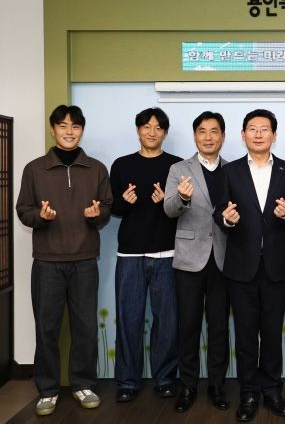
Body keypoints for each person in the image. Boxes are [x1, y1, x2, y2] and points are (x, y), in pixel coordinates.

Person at [16, 105, 112, 416]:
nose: (69, 131)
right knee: (47, 327)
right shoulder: (34, 169)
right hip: (47, 262)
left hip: (85, 260)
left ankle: (84, 384)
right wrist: (40, 217)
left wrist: (96, 215)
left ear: (82, 130)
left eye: (75, 126)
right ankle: (47, 390)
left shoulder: (97, 169)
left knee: (85, 326)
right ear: (53, 129)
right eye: (62, 125)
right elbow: (23, 210)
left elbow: (107, 208)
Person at [214, 109, 285, 422]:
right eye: (252, 129)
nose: (258, 134)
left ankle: (272, 390)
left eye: (264, 129)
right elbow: (220, 212)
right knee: (245, 334)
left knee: (272, 333)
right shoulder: (230, 171)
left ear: (274, 135)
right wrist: (227, 219)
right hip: (241, 266)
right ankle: (249, 393)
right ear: (243, 135)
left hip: (276, 266)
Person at [110, 107, 182, 402]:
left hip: (167, 253)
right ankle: (128, 382)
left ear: (165, 132)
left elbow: (183, 210)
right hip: (129, 254)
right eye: (147, 127)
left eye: (158, 127)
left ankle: (165, 378)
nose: (152, 132)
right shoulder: (121, 165)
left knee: (167, 321)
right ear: (138, 130)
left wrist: (167, 203)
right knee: (129, 319)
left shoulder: (176, 165)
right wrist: (125, 202)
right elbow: (114, 209)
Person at [164, 111, 231, 413]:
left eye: (214, 131)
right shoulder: (179, 169)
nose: (208, 137)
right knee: (188, 325)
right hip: (190, 259)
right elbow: (169, 209)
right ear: (195, 136)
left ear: (223, 137)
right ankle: (188, 386)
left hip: (223, 258)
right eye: (202, 131)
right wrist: (182, 197)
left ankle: (217, 386)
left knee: (219, 327)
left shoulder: (233, 170)